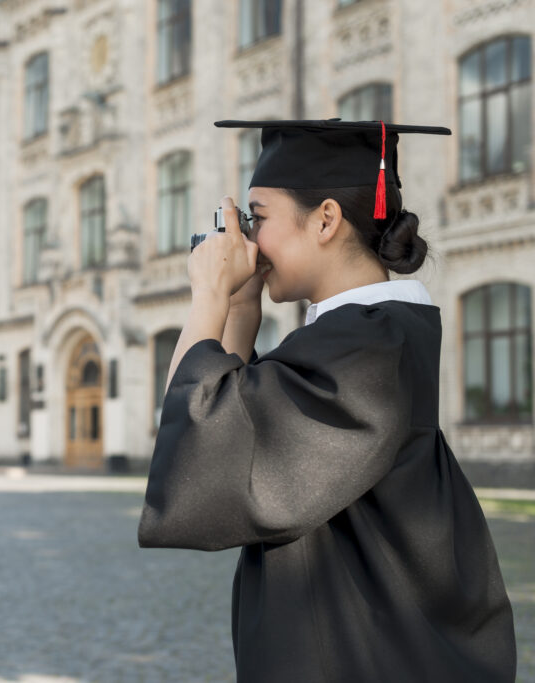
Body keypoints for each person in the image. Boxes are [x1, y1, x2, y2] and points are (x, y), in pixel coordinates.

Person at [138, 119, 516, 682]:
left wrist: (208, 296)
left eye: (258, 218)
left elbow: (202, 455)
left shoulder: (364, 347)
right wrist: (239, 309)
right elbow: (222, 419)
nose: (248, 240)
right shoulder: (356, 337)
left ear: (326, 219)